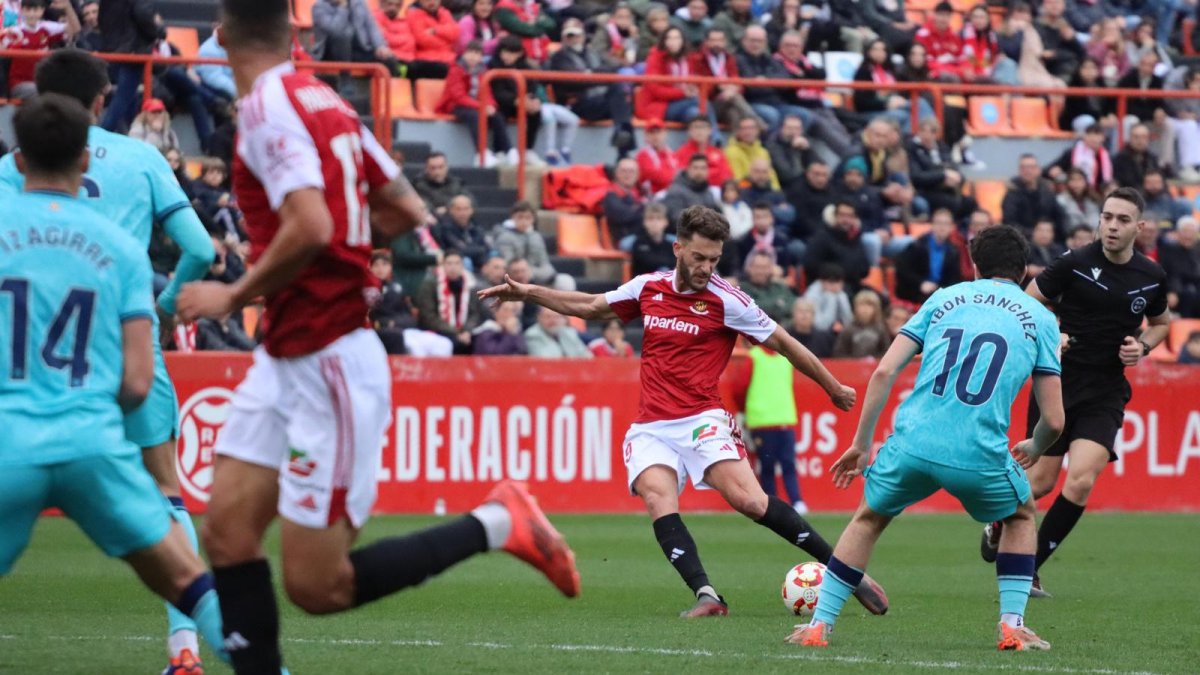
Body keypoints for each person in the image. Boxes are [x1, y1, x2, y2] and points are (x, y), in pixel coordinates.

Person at [174, 4, 580, 672]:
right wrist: (340, 263)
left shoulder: (266, 106)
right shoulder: (324, 101)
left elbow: (308, 225)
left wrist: (234, 293)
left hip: (327, 360)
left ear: (221, 33)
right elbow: (403, 207)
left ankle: (497, 522)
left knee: (317, 585)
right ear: (294, 31)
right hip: (288, 352)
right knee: (226, 532)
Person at [479, 205, 888, 618]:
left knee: (750, 501)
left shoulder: (729, 301)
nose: (707, 267)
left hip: (701, 419)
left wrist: (832, 386)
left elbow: (784, 343)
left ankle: (846, 574)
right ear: (678, 248)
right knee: (659, 498)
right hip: (652, 425)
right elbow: (589, 305)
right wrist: (529, 292)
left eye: (714, 259)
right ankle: (707, 594)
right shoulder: (648, 288)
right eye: (698, 257)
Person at [0, 49, 219, 674]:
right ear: (103, 101)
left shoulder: (7, 173)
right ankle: (186, 655)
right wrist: (172, 303)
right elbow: (200, 248)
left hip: (21, 381)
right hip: (126, 348)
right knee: (167, 497)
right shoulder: (142, 159)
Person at [787, 225, 1064, 652]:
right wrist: (1037, 446)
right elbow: (1054, 420)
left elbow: (883, 372)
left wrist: (861, 444)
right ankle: (1011, 626)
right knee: (1021, 516)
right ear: (1025, 271)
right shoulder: (1042, 320)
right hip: (979, 451)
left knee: (868, 519)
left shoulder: (943, 298)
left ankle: (818, 627)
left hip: (912, 444)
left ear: (974, 265)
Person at [979, 189, 1171, 599]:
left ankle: (1029, 569)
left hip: (1106, 389)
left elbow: (1160, 323)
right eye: (1107, 217)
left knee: (1081, 481)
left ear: (1139, 227)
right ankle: (998, 522)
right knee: (1041, 483)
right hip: (1058, 383)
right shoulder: (1075, 262)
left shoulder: (1151, 275)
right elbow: (1027, 301)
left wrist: (1144, 347)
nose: (1112, 226)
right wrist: (1054, 333)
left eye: (1122, 219)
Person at [732, 341, 808, 514]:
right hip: (769, 422)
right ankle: (780, 503)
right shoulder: (760, 357)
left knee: (776, 465)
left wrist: (744, 410)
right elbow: (740, 388)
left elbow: (739, 389)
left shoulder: (762, 357)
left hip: (775, 421)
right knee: (775, 465)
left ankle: (789, 502)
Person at [546, 17, 636, 156]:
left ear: (583, 36)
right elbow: (575, 81)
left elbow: (613, 67)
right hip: (577, 104)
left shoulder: (592, 53)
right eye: (570, 35)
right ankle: (624, 147)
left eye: (576, 34)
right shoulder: (559, 57)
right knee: (619, 100)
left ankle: (622, 138)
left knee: (620, 92)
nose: (574, 38)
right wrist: (595, 76)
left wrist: (590, 75)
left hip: (597, 100)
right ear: (563, 37)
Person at [436, 40, 514, 167]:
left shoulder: (483, 71)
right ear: (464, 54)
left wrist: (491, 106)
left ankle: (506, 151)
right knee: (475, 116)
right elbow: (458, 97)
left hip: (476, 105)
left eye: (477, 53)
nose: (473, 56)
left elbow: (487, 93)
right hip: (454, 105)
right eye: (470, 52)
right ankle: (482, 153)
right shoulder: (455, 69)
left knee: (497, 116)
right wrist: (482, 106)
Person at [0, 0, 77, 99]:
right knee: (46, 93)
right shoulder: (14, 32)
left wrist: (67, 8)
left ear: (42, 11)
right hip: (20, 84)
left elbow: (75, 30)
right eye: (28, 10)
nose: (32, 14)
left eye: (35, 10)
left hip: (43, 83)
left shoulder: (47, 28)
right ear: (22, 11)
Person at [415, 250, 486, 354]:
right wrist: (456, 332)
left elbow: (474, 313)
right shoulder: (430, 285)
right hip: (439, 331)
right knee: (454, 343)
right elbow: (429, 317)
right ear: (442, 265)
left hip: (464, 331)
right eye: (449, 263)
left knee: (481, 341)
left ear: (462, 266)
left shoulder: (471, 285)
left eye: (457, 263)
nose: (453, 267)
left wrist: (466, 331)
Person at [494, 201, 574, 290]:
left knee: (565, 281)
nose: (524, 221)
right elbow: (508, 265)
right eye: (520, 217)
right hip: (513, 278)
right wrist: (524, 272)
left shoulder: (536, 237)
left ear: (533, 219)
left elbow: (546, 265)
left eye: (528, 218)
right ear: (513, 218)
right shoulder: (504, 237)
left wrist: (532, 273)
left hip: (535, 276)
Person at [894, 208, 963, 305]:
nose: (942, 227)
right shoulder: (917, 245)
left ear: (951, 227)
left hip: (940, 293)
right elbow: (902, 268)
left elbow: (954, 279)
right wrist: (920, 283)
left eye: (946, 224)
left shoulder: (953, 251)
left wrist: (940, 289)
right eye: (939, 223)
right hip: (915, 292)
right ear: (932, 225)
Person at [311, 0, 397, 73]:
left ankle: (391, 92)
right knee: (345, 35)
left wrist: (380, 46)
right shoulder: (319, 7)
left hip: (359, 50)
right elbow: (335, 30)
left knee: (389, 60)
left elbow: (371, 26)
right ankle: (345, 82)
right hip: (333, 53)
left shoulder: (358, 2)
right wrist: (342, 8)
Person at [805, 201, 872, 292]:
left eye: (850, 216)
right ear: (835, 216)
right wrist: (837, 273)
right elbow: (811, 265)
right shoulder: (822, 237)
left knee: (880, 299)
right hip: (829, 285)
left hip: (854, 284)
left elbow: (865, 269)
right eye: (842, 215)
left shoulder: (856, 238)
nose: (846, 220)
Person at [1002, 154, 1067, 237]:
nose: (1028, 171)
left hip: (1049, 238)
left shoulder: (1047, 191)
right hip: (1023, 240)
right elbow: (1009, 223)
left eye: (1031, 167)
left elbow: (1060, 216)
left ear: (1038, 170)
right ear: (1019, 170)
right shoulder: (1012, 192)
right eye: (1024, 168)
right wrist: (1033, 234)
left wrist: (1052, 232)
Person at [1043, 124, 1114, 195]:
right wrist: (1054, 171)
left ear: (1103, 139)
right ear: (1085, 137)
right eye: (1091, 137)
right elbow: (1047, 170)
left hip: (1098, 195)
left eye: (1097, 137)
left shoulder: (1106, 157)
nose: (1094, 140)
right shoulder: (1072, 153)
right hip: (1073, 193)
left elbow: (1108, 179)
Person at [433, 194, 492, 270]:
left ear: (472, 210)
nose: (462, 213)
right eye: (458, 209)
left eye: (466, 209)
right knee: (466, 261)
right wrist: (480, 250)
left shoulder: (476, 226)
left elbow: (486, 247)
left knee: (494, 256)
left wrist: (478, 250)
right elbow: (460, 250)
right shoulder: (446, 227)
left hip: (478, 261)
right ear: (451, 210)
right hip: (455, 263)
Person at [403, 0, 459, 78]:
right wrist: (447, 41)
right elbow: (423, 40)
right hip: (427, 60)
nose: (431, 2)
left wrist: (436, 30)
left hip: (449, 59)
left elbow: (455, 33)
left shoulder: (445, 13)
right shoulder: (413, 15)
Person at [674, 116, 733, 188]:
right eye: (696, 127)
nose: (699, 131)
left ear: (710, 130)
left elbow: (726, 176)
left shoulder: (717, 152)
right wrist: (714, 172)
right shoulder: (681, 152)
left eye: (703, 127)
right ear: (689, 131)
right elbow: (683, 178)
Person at [660, 154, 720, 225]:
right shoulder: (676, 191)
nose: (699, 172)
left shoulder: (707, 190)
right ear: (688, 169)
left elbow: (716, 213)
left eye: (703, 168)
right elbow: (676, 218)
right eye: (695, 168)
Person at [740, 250, 796, 325]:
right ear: (749, 268)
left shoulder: (780, 287)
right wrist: (778, 305)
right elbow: (755, 312)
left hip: (783, 330)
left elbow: (793, 307)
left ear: (771, 269)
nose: (760, 272)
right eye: (757, 267)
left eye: (764, 267)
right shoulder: (741, 290)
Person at [1160, 217, 1200, 318]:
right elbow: (1170, 275)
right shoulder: (1168, 250)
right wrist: (1172, 291)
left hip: (1195, 290)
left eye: (1192, 232)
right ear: (1177, 233)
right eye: (1185, 232)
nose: (1188, 236)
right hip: (1178, 292)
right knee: (1188, 295)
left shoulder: (1197, 251)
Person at [787, 160, 833, 246]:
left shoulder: (833, 191)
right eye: (816, 174)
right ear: (808, 174)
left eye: (824, 175)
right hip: (804, 236)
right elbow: (800, 221)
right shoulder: (797, 190)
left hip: (829, 235)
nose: (820, 179)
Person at [833, 290, 890, 359]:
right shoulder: (848, 329)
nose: (865, 309)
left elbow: (886, 352)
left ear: (876, 309)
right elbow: (839, 353)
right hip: (852, 367)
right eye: (862, 305)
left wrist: (874, 359)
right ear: (855, 308)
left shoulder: (881, 329)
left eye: (869, 305)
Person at [602, 157, 647, 242]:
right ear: (616, 173)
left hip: (642, 235)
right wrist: (643, 209)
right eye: (624, 171)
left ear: (638, 175)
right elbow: (622, 216)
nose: (628, 174)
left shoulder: (639, 194)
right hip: (627, 238)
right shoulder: (610, 195)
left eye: (632, 171)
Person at [414, 152, 471, 216]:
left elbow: (470, 202)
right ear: (426, 169)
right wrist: (435, 211)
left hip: (455, 220)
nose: (437, 172)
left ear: (447, 167)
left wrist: (448, 208)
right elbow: (421, 203)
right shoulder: (419, 184)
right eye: (433, 168)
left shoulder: (457, 183)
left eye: (441, 167)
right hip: (429, 220)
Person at [803, 263, 853, 333]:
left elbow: (849, 322)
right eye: (831, 282)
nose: (835, 285)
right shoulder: (812, 295)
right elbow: (820, 326)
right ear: (822, 281)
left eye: (838, 281)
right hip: (815, 333)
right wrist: (831, 298)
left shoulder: (841, 295)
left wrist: (841, 324)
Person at [524, 306, 592, 358]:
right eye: (548, 317)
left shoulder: (569, 332)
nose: (553, 321)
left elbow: (587, 356)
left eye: (557, 317)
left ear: (564, 319)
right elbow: (545, 360)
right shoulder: (532, 335)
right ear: (539, 318)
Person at [629, 203, 677, 276]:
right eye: (651, 219)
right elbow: (647, 261)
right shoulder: (639, 243)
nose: (655, 222)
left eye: (659, 218)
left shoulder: (670, 245)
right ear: (644, 222)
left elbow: (676, 262)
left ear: (666, 222)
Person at [636, 119, 679, 195]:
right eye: (652, 132)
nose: (655, 136)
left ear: (665, 133)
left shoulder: (672, 154)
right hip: (652, 197)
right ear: (646, 136)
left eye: (658, 132)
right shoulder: (642, 156)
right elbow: (659, 178)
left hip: (672, 194)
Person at [1056, 168, 1102, 232]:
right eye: (1073, 180)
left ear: (1085, 182)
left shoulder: (1094, 200)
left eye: (1080, 179)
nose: (1076, 183)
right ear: (1067, 183)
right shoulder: (1061, 201)